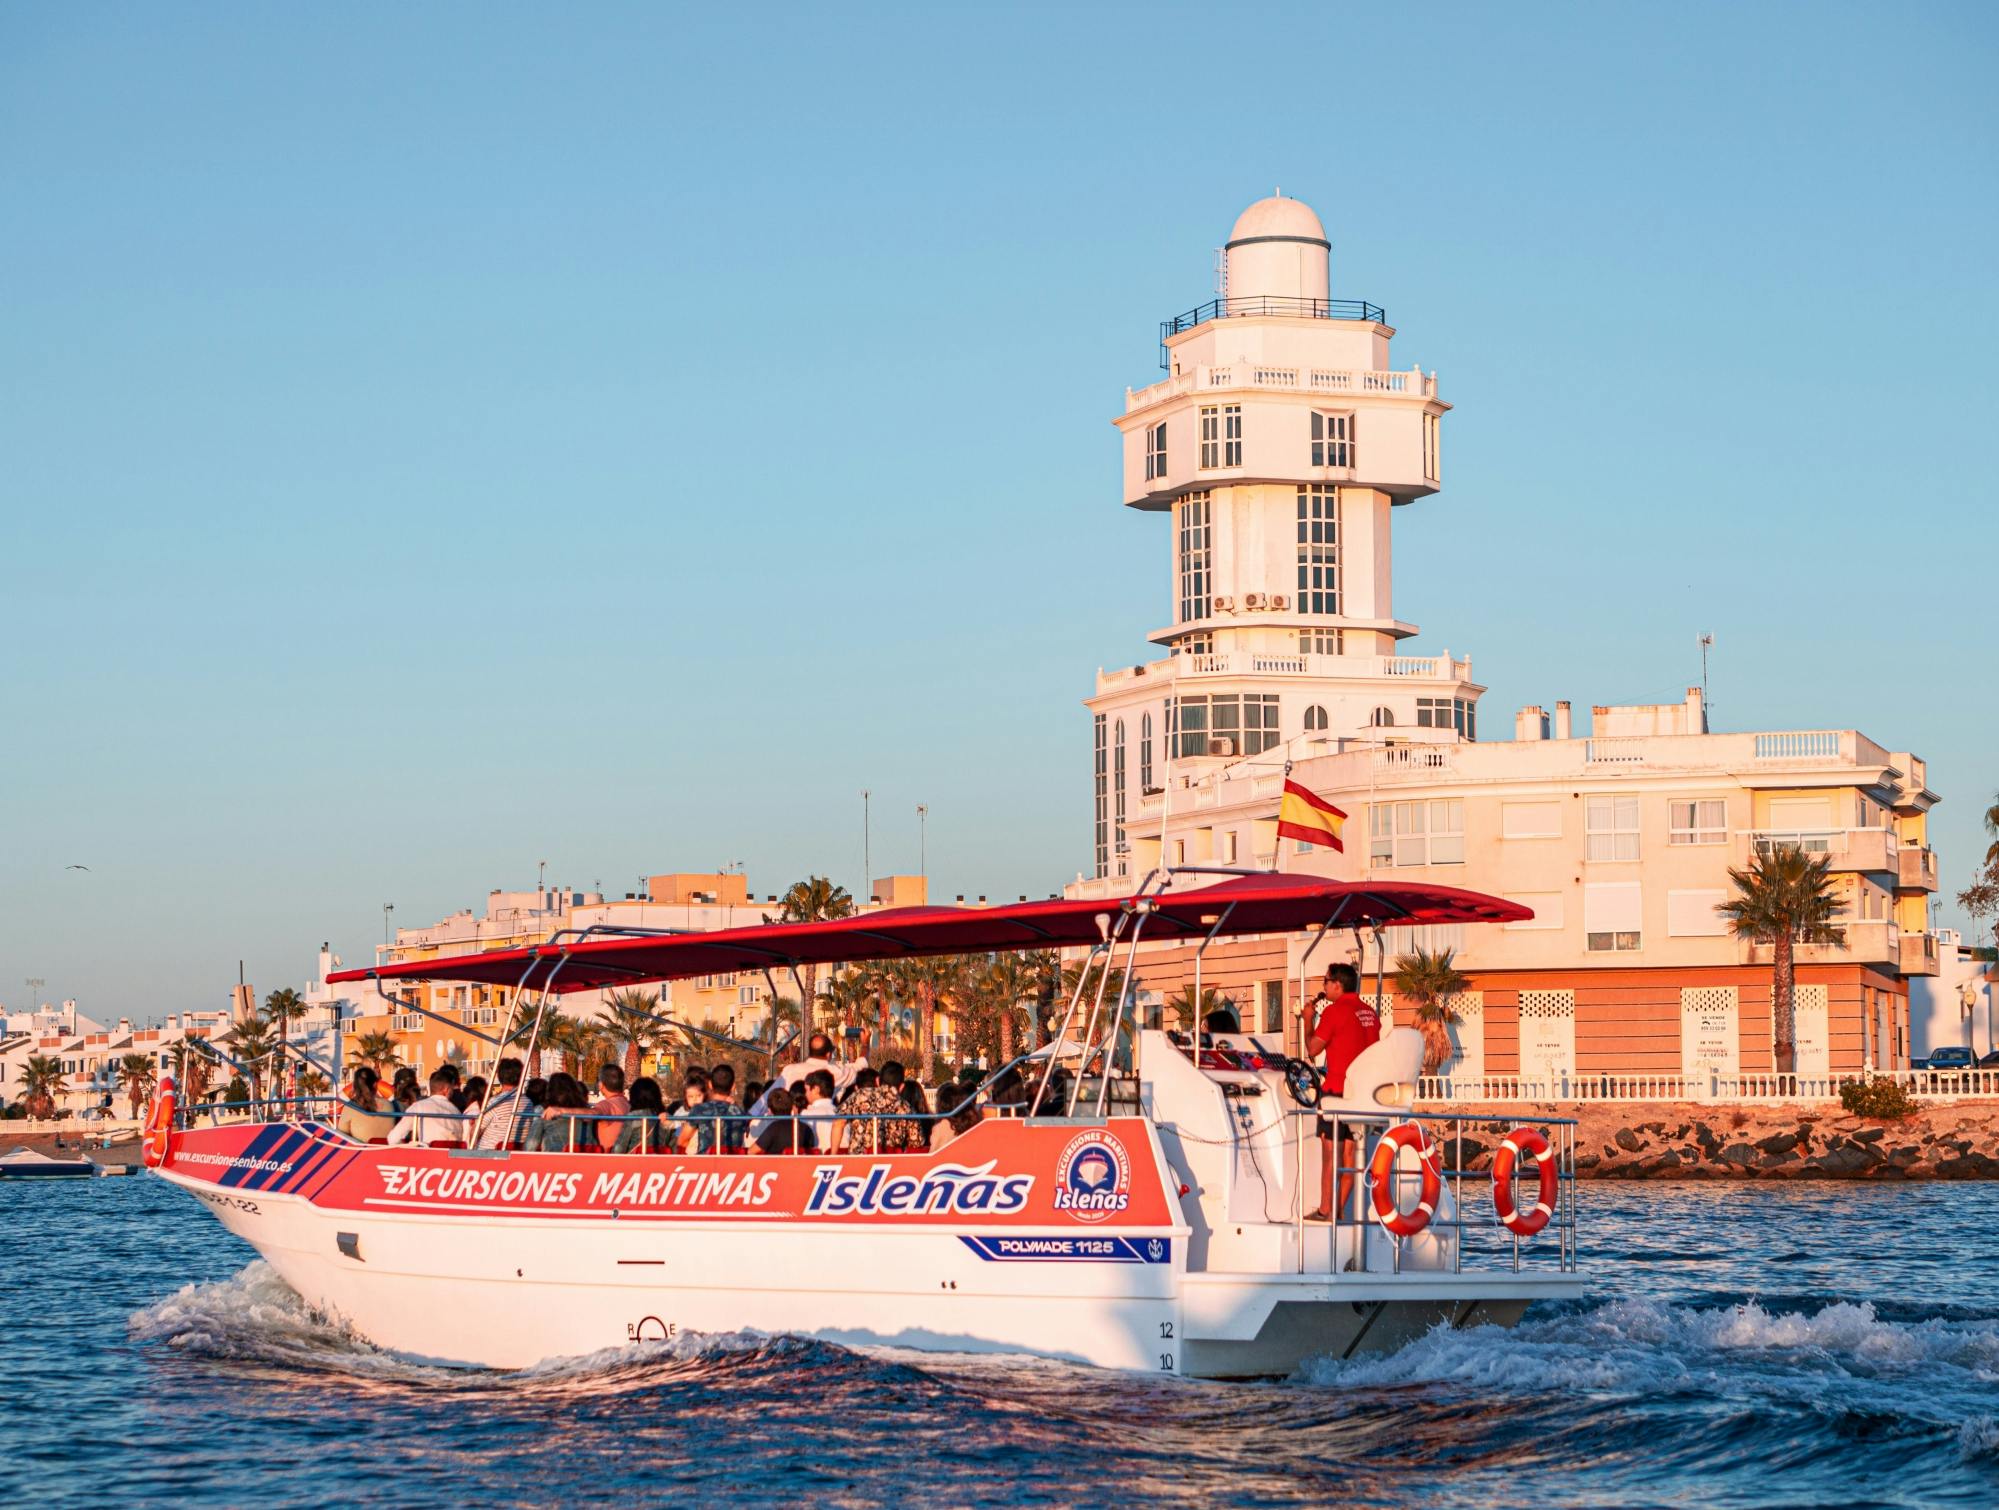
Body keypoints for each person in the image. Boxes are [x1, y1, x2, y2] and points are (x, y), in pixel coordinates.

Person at [1303, 963, 1382, 1223]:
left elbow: (1313, 1049)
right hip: (1360, 1096)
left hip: (1336, 1092)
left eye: (1326, 982)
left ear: (1337, 984)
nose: (1323, 987)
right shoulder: (1370, 1013)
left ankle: (1326, 1210)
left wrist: (1307, 1021)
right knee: (1351, 1156)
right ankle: (1339, 1209)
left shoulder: (1335, 1012)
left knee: (1330, 1155)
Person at [843, 1060, 919, 1152]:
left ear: (877, 1081)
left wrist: (833, 1155)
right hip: (891, 1163)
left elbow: (838, 1122)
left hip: (857, 1161)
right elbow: (916, 1142)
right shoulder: (907, 1108)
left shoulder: (859, 1097)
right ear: (902, 1086)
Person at [389, 1069, 468, 1146]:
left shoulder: (418, 1107)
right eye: (452, 1089)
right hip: (450, 1156)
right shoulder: (456, 1112)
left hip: (426, 1155)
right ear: (446, 1089)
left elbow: (393, 1139)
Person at [684, 1063, 746, 1155]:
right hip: (732, 1166)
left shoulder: (699, 1110)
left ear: (710, 1084)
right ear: (733, 1086)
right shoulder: (740, 1114)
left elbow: (683, 1140)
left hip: (703, 1165)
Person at [528, 1073, 591, 1152]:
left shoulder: (545, 1111)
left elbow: (531, 1143)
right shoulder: (586, 1111)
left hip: (554, 1157)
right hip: (585, 1156)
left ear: (550, 1091)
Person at [475, 1058, 528, 1150]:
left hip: (488, 1154)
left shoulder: (496, 1102)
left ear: (500, 1077)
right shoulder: (528, 1102)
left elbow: (475, 1133)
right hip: (515, 1154)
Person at [335, 1066, 395, 1142]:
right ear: (375, 1084)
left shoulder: (351, 1107)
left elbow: (342, 1134)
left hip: (360, 1150)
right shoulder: (389, 1105)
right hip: (386, 1150)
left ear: (354, 1086)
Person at [751, 1086, 817, 1155]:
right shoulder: (806, 1128)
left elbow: (751, 1151)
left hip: (775, 1165)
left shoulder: (774, 1128)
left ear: (770, 1110)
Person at [612, 1077, 668, 1154]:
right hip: (660, 1163)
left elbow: (619, 1148)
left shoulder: (633, 1117)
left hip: (634, 1162)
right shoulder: (665, 1118)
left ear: (634, 1096)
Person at [798, 1068, 841, 1153]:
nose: (805, 1094)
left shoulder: (807, 1114)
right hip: (845, 1159)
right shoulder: (843, 1113)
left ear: (816, 1089)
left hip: (819, 1161)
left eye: (806, 1090)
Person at [590, 1064, 630, 1152]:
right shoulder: (628, 1104)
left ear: (601, 1085)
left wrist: (560, 1111)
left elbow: (589, 1115)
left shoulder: (606, 1105)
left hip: (608, 1160)